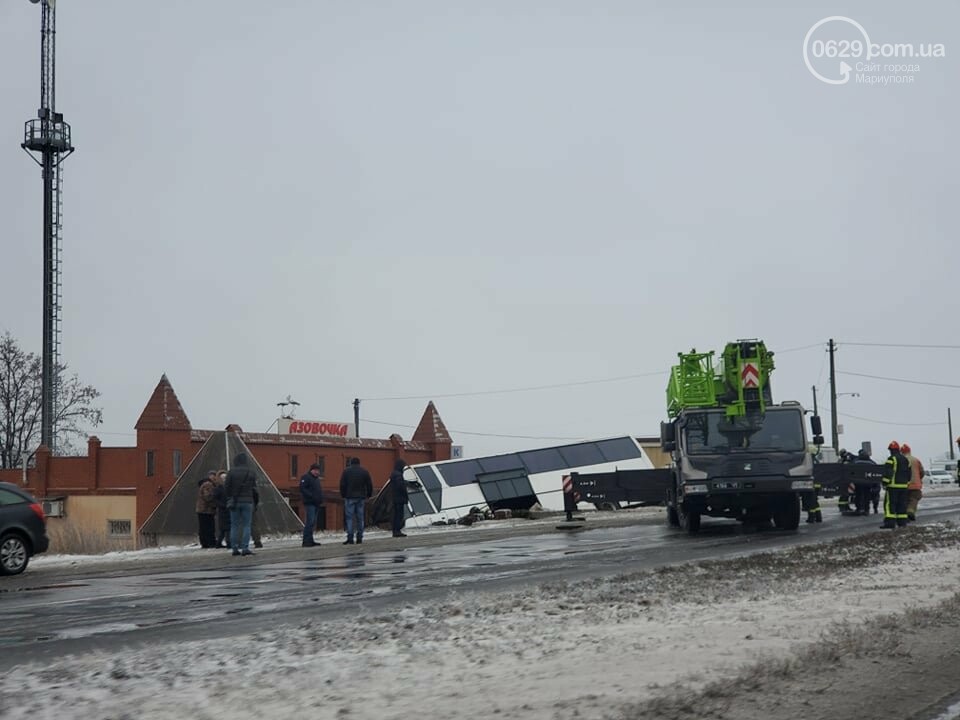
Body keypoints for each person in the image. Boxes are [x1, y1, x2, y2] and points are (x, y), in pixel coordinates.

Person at [225, 453, 258, 556]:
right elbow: (254, 487)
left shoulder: (231, 472)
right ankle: (245, 547)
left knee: (234, 525)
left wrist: (230, 497)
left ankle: (234, 548)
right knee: (246, 525)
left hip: (235, 501)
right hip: (247, 501)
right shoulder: (251, 472)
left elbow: (227, 487)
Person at [340, 457, 373, 545]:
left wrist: (343, 494)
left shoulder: (346, 472)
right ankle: (359, 537)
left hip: (349, 496)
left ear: (351, 463)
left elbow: (342, 484)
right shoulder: (364, 472)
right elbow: (369, 484)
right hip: (361, 497)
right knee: (360, 518)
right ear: (359, 463)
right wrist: (369, 494)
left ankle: (350, 538)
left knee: (350, 518)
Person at [880, 441, 911, 529]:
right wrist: (907, 483)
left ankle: (890, 523)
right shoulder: (905, 459)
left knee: (890, 504)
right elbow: (909, 474)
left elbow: (888, 472)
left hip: (893, 487)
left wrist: (885, 482)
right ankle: (902, 522)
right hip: (904, 487)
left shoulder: (891, 459)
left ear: (891, 450)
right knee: (902, 505)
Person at [299, 463, 324, 547]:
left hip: (316, 503)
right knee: (310, 522)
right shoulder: (306, 477)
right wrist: (311, 496)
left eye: (318, 471)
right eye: (316, 470)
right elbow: (302, 488)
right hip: (310, 503)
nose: (317, 472)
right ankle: (306, 541)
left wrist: (320, 498)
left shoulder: (316, 479)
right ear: (312, 470)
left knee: (313, 522)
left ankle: (310, 540)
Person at [901, 443, 925, 522]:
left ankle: (905, 515)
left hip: (903, 484)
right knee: (914, 498)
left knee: (905, 500)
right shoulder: (915, 460)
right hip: (915, 484)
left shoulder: (900, 460)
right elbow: (921, 472)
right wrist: (919, 478)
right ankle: (910, 511)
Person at [196, 471, 218, 548]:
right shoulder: (208, 484)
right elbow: (207, 497)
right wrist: (215, 503)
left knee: (203, 527)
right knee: (208, 527)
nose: (215, 478)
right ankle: (210, 542)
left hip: (202, 509)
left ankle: (205, 542)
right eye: (214, 476)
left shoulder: (206, 484)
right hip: (206, 510)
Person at [853, 448, 877, 516]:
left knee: (858, 495)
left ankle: (859, 508)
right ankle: (866, 509)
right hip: (868, 483)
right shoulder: (871, 463)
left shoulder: (856, 462)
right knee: (867, 496)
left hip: (858, 483)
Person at [389, 458, 409, 537]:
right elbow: (400, 486)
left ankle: (396, 530)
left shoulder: (394, 473)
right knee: (399, 515)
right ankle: (397, 531)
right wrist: (405, 491)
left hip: (395, 497)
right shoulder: (398, 474)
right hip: (399, 498)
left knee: (396, 515)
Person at [213, 470, 231, 548]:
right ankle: (226, 543)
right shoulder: (218, 488)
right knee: (225, 528)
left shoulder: (228, 487)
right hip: (223, 510)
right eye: (223, 478)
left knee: (226, 528)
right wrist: (222, 505)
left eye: (225, 477)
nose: (224, 479)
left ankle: (221, 543)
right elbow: (215, 499)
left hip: (228, 508)